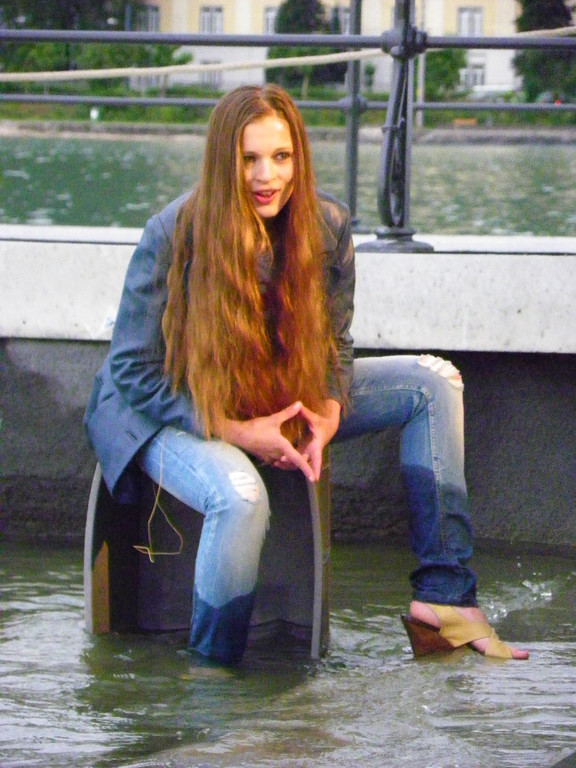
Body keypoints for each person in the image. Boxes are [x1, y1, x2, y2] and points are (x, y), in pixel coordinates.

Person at [84, 84, 529, 665]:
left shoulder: (328, 225)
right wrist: (235, 431)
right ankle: (213, 677)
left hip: (277, 391)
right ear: (222, 161)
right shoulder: (173, 232)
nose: (266, 176)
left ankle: (445, 600)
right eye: (248, 159)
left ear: (299, 157)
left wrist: (329, 410)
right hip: (169, 403)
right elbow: (131, 369)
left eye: (281, 156)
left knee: (433, 384)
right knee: (240, 496)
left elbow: (336, 344)